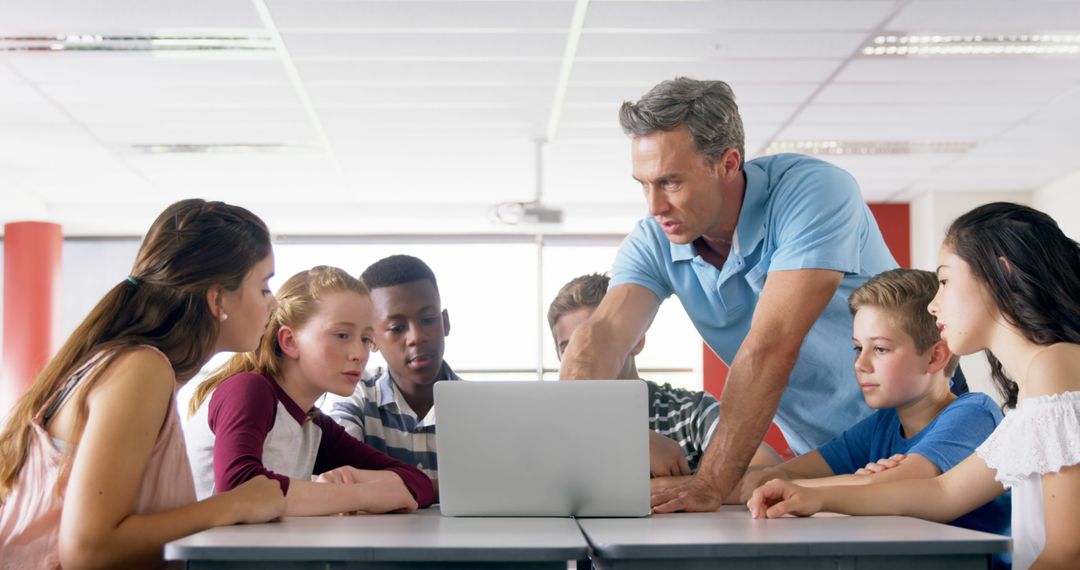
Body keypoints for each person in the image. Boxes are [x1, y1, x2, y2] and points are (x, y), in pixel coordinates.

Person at [559, 77, 915, 513]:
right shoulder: (654, 239)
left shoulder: (813, 194)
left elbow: (771, 347)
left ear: (728, 163)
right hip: (828, 453)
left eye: (670, 183)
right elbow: (600, 339)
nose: (654, 207)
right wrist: (615, 432)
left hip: (916, 426)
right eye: (643, 184)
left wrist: (708, 483)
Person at [749, 203, 1080, 570]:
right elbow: (944, 492)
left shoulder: (1057, 365)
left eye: (945, 281)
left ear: (999, 275)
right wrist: (812, 498)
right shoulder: (1040, 380)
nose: (934, 306)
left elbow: (1067, 553)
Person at [0, 199, 285, 569]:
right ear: (218, 299)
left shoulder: (140, 367)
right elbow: (89, 551)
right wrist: (235, 504)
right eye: (264, 287)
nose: (274, 303)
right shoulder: (141, 368)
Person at [738, 268, 1010, 568]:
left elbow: (901, 484)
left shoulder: (973, 413)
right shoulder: (882, 425)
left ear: (934, 357)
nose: (860, 364)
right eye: (858, 348)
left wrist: (817, 488)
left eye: (880, 349)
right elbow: (778, 477)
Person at [185, 266, 434, 516]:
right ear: (290, 341)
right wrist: (362, 494)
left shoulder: (313, 426)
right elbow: (240, 488)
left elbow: (418, 482)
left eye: (366, 339)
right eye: (342, 335)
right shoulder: (248, 390)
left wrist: (353, 476)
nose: (359, 354)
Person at [548, 273, 779, 482]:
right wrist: (631, 438)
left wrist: (677, 486)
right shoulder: (547, 421)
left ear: (636, 341)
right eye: (566, 348)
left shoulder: (690, 413)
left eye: (593, 341)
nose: (579, 357)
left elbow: (767, 469)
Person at [330, 255, 460, 486]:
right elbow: (341, 479)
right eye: (396, 328)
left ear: (445, 323)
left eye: (428, 319)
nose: (417, 337)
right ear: (371, 339)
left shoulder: (478, 407)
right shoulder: (356, 398)